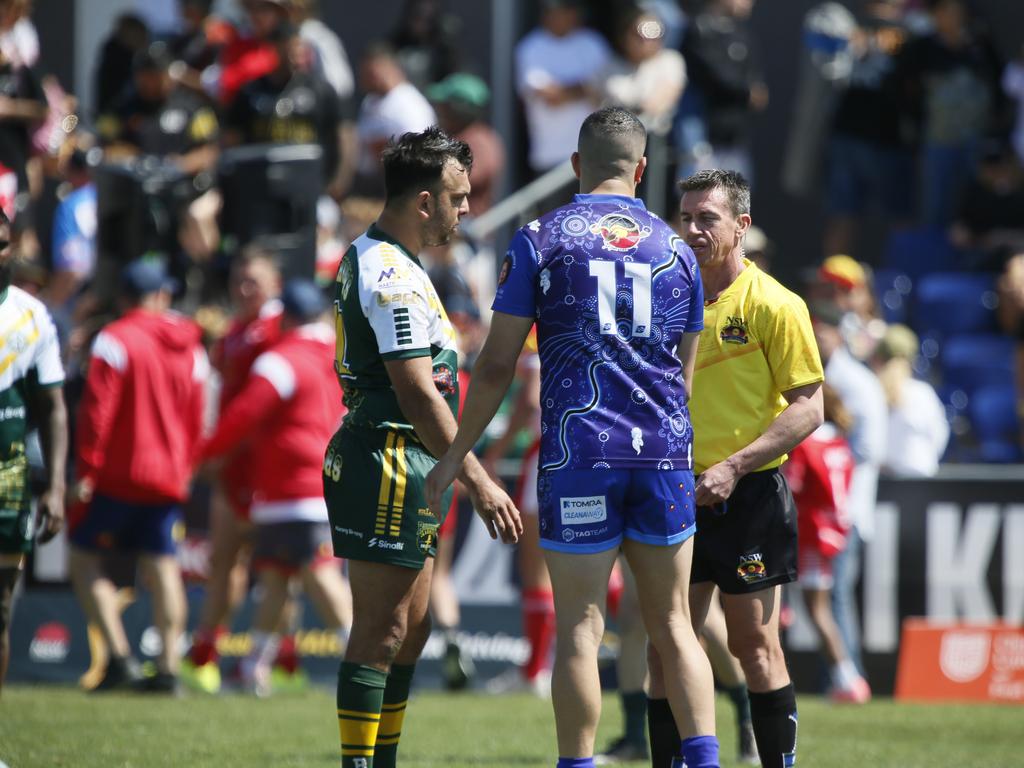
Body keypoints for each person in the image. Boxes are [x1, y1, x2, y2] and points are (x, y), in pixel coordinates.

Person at [427, 107, 720, 768]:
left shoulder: (540, 238)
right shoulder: (679, 251)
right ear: (642, 170)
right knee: (676, 627)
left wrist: (457, 453)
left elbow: (498, 363)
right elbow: (686, 376)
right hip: (663, 453)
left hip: (578, 454)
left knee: (581, 631)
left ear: (575, 166)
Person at [324, 127, 520, 768]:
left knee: (414, 629)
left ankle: (385, 760)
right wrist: (481, 482)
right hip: (387, 454)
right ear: (425, 201)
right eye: (459, 198)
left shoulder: (403, 263)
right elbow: (416, 391)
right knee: (381, 631)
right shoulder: (389, 273)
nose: (468, 210)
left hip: (411, 458)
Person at [646, 168, 824, 768]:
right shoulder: (663, 297)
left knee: (755, 645)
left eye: (708, 218)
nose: (692, 230)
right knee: (664, 648)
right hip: (673, 490)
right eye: (686, 217)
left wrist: (735, 466)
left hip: (747, 494)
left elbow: (809, 408)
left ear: (741, 225)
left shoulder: (776, 304)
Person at [199, 278, 351, 697]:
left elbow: (242, 416)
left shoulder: (283, 360)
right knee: (277, 581)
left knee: (318, 577)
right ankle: (252, 669)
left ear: (285, 317)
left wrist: (203, 454)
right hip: (318, 486)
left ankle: (367, 661)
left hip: (292, 490)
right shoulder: (334, 358)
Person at [68, 258, 207, 693]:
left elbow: (97, 413)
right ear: (161, 296)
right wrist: (186, 468)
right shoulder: (191, 346)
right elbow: (198, 418)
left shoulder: (113, 339)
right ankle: (168, 666)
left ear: (125, 298)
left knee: (82, 558)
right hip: (168, 477)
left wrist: (85, 470)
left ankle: (120, 657)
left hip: (116, 475)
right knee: (163, 565)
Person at [181, 244, 282, 694]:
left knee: (282, 570)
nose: (244, 289)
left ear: (274, 286)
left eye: (254, 281)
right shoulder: (232, 332)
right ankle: (206, 653)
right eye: (239, 281)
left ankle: (282, 661)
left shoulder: (281, 331)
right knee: (226, 560)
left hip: (273, 471)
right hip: (234, 467)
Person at [0, 208, 67, 697]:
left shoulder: (30, 315)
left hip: (8, 476)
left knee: (0, 609)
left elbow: (53, 408)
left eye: (2, 242)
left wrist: (58, 485)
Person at [810, 300, 887, 679]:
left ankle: (848, 675)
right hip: (821, 507)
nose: (811, 336)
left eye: (818, 329)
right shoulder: (819, 372)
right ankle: (841, 676)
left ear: (835, 333)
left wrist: (826, 458)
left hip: (844, 509)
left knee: (835, 596)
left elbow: (869, 450)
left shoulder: (855, 381)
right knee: (826, 597)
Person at [781, 384, 870, 703]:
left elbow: (793, 484)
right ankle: (846, 677)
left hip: (809, 531)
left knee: (816, 609)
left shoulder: (806, 444)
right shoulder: (839, 443)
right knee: (815, 605)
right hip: (832, 531)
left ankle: (848, 678)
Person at [515, 0, 610, 176]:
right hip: (549, 156)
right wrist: (581, 88)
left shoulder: (593, 44)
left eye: (567, 9)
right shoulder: (531, 47)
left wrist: (569, 90)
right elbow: (550, 96)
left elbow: (600, 91)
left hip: (593, 153)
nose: (562, 15)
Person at [353, 42, 436, 197]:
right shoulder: (370, 101)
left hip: (400, 189)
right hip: (369, 186)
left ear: (390, 68)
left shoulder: (409, 103)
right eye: (363, 74)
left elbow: (418, 156)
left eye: (371, 73)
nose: (366, 79)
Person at [870, 324, 949, 478]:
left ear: (877, 358)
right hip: (921, 478)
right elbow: (938, 437)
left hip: (883, 481)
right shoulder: (923, 393)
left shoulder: (869, 391)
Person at [427, 73, 506, 216]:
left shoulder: (480, 142)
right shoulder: (450, 136)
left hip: (465, 230)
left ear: (459, 108)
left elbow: (453, 183)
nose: (439, 108)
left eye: (444, 104)